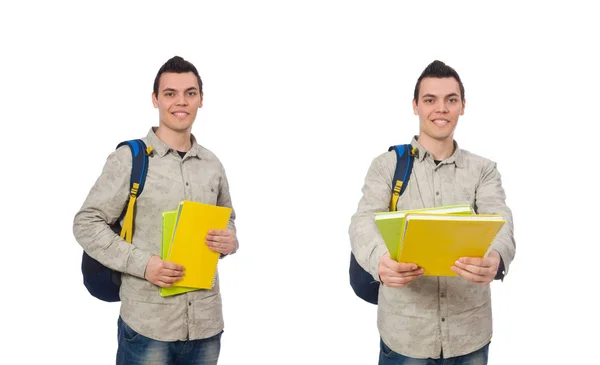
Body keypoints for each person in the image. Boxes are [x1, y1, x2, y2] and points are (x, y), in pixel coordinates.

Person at [73, 55, 238, 365]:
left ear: (201, 99)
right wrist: (144, 264)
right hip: (148, 326)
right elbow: (87, 222)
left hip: (205, 325)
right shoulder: (130, 158)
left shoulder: (212, 164)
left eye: (190, 93)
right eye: (170, 93)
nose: (181, 102)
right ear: (155, 99)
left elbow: (228, 218)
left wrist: (230, 241)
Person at [349, 60, 515, 365]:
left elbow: (500, 220)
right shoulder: (386, 166)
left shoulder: (484, 170)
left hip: (470, 334)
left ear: (463, 106)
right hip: (405, 334)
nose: (441, 108)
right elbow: (362, 222)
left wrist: (495, 259)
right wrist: (380, 261)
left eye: (451, 100)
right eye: (430, 100)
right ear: (415, 106)